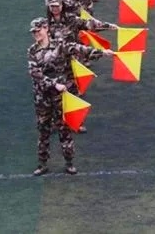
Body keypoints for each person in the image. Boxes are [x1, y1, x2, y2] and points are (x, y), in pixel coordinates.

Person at [26, 17, 113, 176]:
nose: (36, 34)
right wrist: (55, 84)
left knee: (64, 129)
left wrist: (102, 52)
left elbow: (80, 49)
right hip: (43, 98)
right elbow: (35, 74)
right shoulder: (32, 51)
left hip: (61, 97)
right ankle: (42, 164)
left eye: (38, 30)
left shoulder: (61, 45)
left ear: (46, 28)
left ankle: (69, 163)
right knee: (44, 131)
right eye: (34, 32)